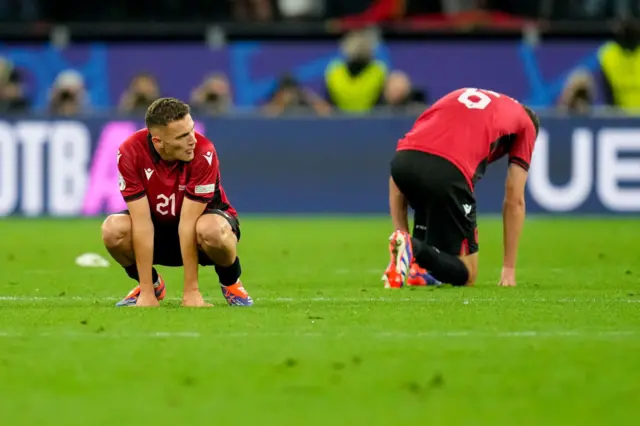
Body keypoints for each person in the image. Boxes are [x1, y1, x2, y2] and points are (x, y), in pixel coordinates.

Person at [101, 97, 253, 307]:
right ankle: (152, 285)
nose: (192, 140)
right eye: (182, 136)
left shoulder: (204, 153)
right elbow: (142, 223)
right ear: (158, 141)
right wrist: (147, 294)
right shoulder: (130, 152)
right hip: (159, 229)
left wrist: (191, 292)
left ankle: (230, 281)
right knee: (112, 230)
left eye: (191, 130)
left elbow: (188, 223)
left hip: (200, 233)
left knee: (212, 230)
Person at [384, 88, 539, 289]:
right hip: (448, 171)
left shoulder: (462, 96)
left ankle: (416, 266)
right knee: (468, 273)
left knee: (427, 192)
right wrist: (508, 268)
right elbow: (514, 199)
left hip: (403, 160)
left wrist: (401, 230)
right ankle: (412, 248)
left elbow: (404, 165)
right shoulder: (527, 124)